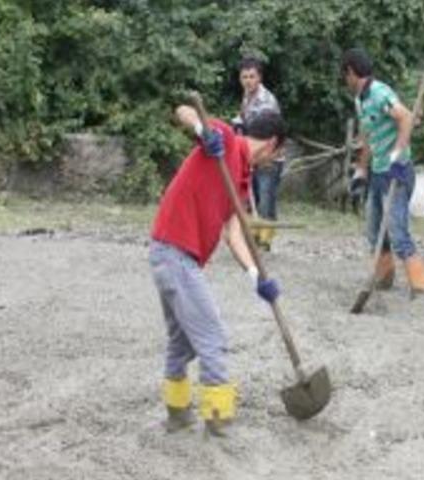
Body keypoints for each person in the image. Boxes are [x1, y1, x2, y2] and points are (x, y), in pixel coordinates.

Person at [149, 103, 286, 433]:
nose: (273, 162)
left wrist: (256, 276)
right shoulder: (223, 138)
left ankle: (178, 412)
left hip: (170, 255)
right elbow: (183, 110)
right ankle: (217, 415)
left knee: (181, 342)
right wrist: (201, 132)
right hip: (174, 253)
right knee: (211, 335)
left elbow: (234, 234)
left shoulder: (241, 178)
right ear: (272, 144)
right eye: (277, 156)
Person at [341, 47, 424, 296]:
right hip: (378, 173)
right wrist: (361, 170)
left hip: (397, 172)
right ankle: (385, 276)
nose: (345, 80)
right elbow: (368, 135)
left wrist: (397, 155)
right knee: (373, 229)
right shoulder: (361, 99)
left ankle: (421, 286)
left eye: (345, 75)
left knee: (398, 230)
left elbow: (405, 119)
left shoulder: (380, 93)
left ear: (351, 72)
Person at [235, 56, 283, 251]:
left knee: (266, 198)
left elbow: (269, 133)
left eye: (252, 76)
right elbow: (244, 118)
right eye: (244, 76)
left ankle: (266, 239)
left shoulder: (267, 101)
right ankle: (254, 235)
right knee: (251, 194)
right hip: (252, 154)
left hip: (269, 156)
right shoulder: (247, 96)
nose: (248, 80)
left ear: (260, 78)